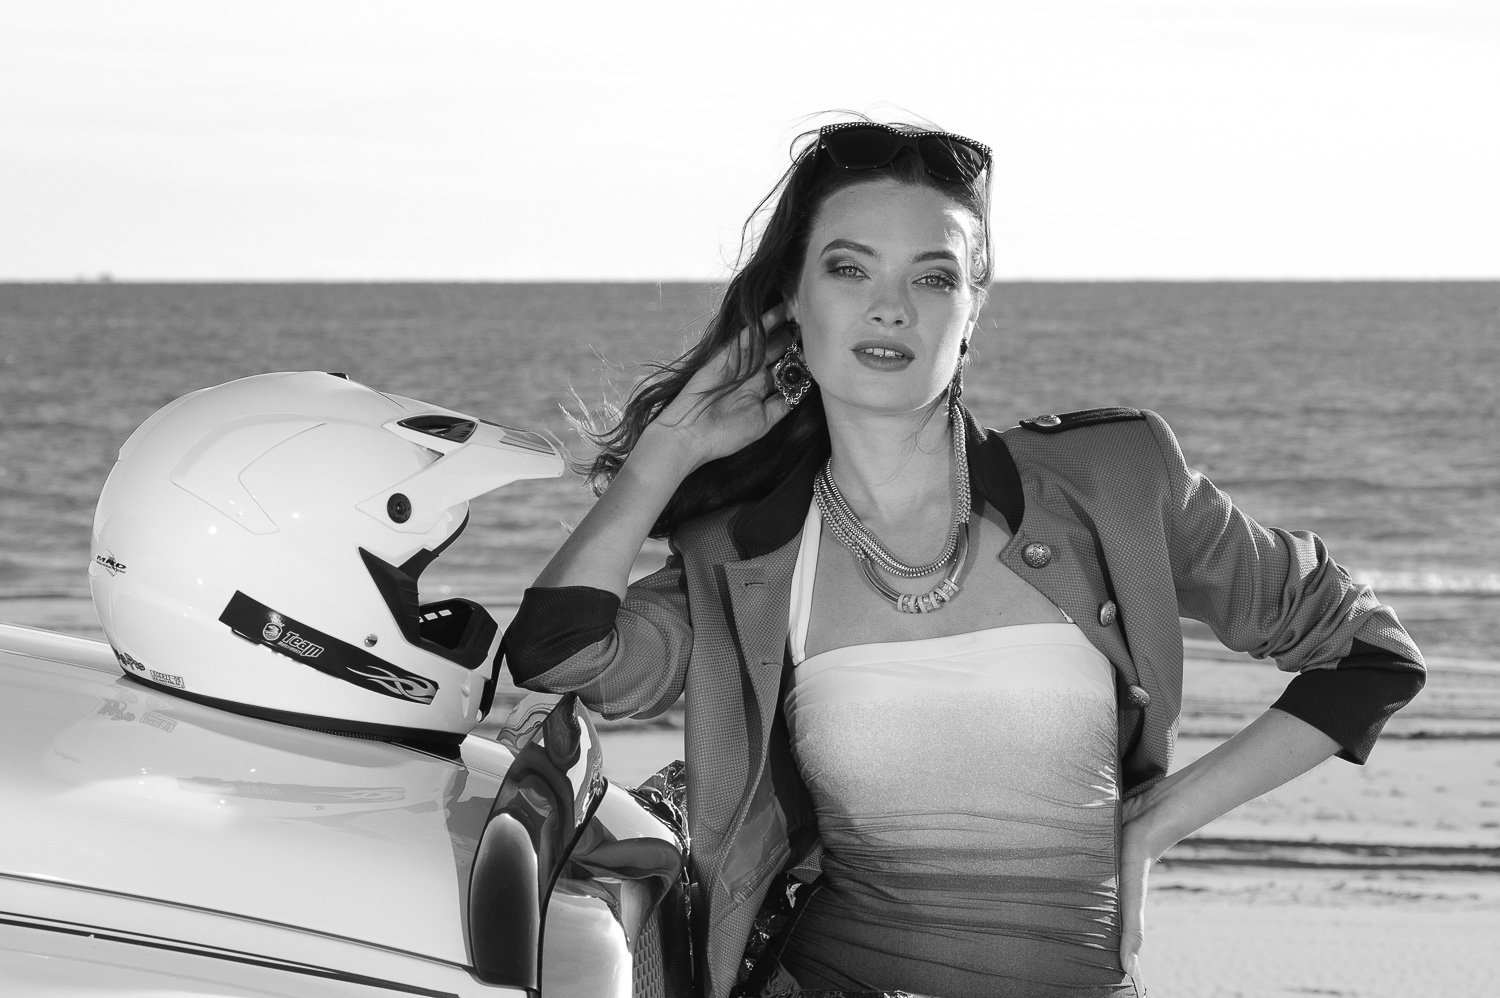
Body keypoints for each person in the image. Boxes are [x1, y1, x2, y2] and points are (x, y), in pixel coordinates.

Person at [503, 119, 1424, 998]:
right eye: (849, 268)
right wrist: (668, 452)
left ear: (974, 307)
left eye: (934, 276)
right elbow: (564, 654)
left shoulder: (1114, 480)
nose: (891, 306)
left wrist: (1161, 818)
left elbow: (1368, 653)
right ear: (792, 302)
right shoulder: (743, 559)